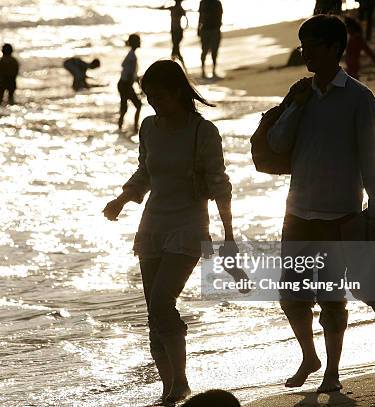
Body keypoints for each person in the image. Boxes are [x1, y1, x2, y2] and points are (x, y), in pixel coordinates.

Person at [267, 15, 375, 393]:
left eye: (314, 45)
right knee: (292, 298)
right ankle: (309, 356)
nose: (306, 52)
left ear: (336, 48)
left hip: (342, 215)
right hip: (298, 212)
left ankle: (332, 371)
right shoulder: (299, 92)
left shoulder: (358, 97)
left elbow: (371, 159)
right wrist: (294, 107)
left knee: (333, 302)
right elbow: (276, 145)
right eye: (303, 45)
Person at [103, 60, 234, 404]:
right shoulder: (149, 127)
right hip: (153, 227)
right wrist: (121, 199)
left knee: (163, 302)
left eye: (158, 95)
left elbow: (220, 185)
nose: (152, 102)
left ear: (177, 92)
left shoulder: (202, 133)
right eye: (148, 96)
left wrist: (229, 235)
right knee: (154, 311)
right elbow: (145, 173)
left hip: (188, 228)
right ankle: (169, 390)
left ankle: (181, 382)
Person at [117, 34, 142, 133]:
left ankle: (120, 127)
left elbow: (127, 71)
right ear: (135, 42)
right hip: (125, 84)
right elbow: (130, 75)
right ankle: (136, 128)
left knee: (124, 107)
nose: (140, 42)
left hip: (123, 84)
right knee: (138, 105)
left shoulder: (130, 55)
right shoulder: (132, 57)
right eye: (138, 41)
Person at [198, 0, 223, 79]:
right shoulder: (205, 2)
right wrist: (198, 29)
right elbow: (201, 16)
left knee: (211, 52)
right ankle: (206, 72)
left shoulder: (207, 2)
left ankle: (210, 72)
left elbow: (201, 17)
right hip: (210, 30)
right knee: (208, 51)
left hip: (211, 29)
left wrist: (198, 29)